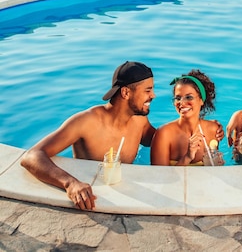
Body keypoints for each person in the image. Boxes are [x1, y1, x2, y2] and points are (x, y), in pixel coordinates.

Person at [21, 61, 156, 211]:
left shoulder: (140, 121)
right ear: (125, 93)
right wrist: (70, 184)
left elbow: (161, 141)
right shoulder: (86, 122)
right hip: (91, 201)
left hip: (126, 197)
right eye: (148, 90)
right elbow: (32, 156)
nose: (153, 95)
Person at [150, 69, 223, 166]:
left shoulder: (214, 130)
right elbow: (160, 177)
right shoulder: (164, 134)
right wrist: (187, 157)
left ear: (202, 100)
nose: (182, 103)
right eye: (178, 98)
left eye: (189, 97)